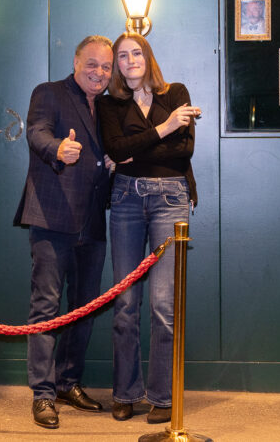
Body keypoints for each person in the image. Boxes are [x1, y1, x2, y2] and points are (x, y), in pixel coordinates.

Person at [96, 33, 200, 426]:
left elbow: (184, 150)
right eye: (122, 56)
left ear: (148, 56)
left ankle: (162, 397)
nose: (129, 60)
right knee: (125, 303)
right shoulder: (110, 104)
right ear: (117, 65)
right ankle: (125, 393)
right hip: (125, 198)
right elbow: (116, 149)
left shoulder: (176, 93)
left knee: (163, 305)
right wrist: (165, 128)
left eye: (135, 53)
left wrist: (134, 149)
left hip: (170, 198)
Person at [13, 35, 116, 429]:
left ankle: (67, 383)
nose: (99, 73)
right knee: (46, 307)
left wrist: (111, 162)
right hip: (52, 217)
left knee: (83, 308)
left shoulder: (107, 106)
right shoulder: (49, 92)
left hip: (93, 221)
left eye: (106, 67)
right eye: (92, 64)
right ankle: (42, 393)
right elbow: (36, 132)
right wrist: (57, 148)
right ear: (75, 62)